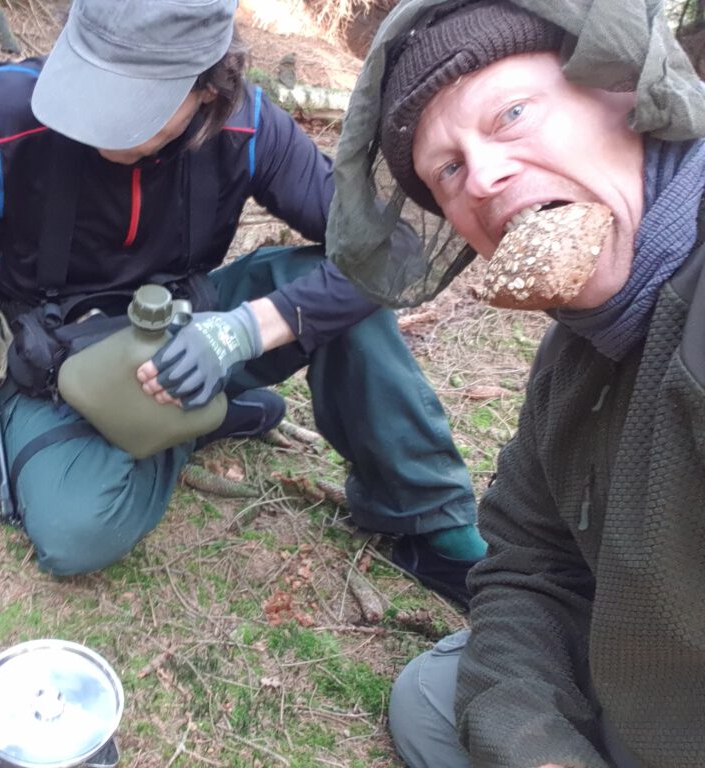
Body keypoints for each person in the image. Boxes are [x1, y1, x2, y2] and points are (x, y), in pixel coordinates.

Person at [0, 0, 485, 602]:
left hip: (196, 323)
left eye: (129, 103)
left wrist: (245, 332)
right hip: (50, 358)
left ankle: (428, 521)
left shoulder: (249, 128)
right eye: (92, 86)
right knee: (74, 535)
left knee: (350, 297)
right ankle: (191, 422)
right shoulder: (3, 116)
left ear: (207, 90)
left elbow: (389, 253)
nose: (99, 122)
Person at [326, 0, 705, 765]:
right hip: (635, 689)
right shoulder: (577, 351)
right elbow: (528, 561)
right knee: (433, 698)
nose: (485, 178)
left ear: (626, 93)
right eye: (449, 169)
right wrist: (530, 742)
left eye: (512, 114)